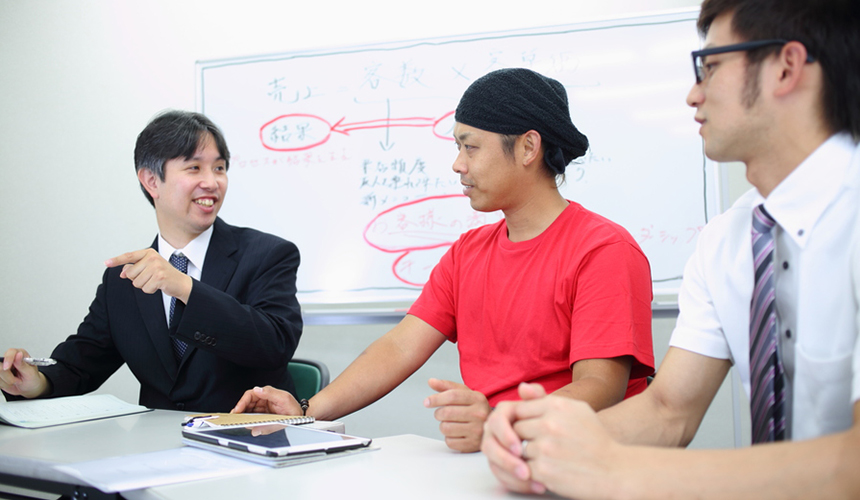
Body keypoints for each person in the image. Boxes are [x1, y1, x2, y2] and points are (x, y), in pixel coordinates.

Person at [482, 0, 860, 497]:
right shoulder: (728, 239)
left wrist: (616, 470)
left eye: (711, 66)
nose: (692, 95)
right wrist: (537, 441)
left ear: (786, 67)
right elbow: (668, 410)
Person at [232, 68, 655, 452]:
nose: (458, 164)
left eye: (470, 147)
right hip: (498, 460)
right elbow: (400, 346)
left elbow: (601, 386)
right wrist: (305, 411)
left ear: (528, 147)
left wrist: (500, 423)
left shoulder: (603, 250)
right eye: (457, 147)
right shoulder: (468, 253)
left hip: (585, 463)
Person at [0, 110, 303, 413]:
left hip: (248, 442)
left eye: (219, 168)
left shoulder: (268, 254)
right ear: (151, 181)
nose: (212, 182)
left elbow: (274, 345)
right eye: (194, 168)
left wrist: (184, 287)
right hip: (156, 450)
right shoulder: (125, 278)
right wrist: (36, 383)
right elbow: (80, 366)